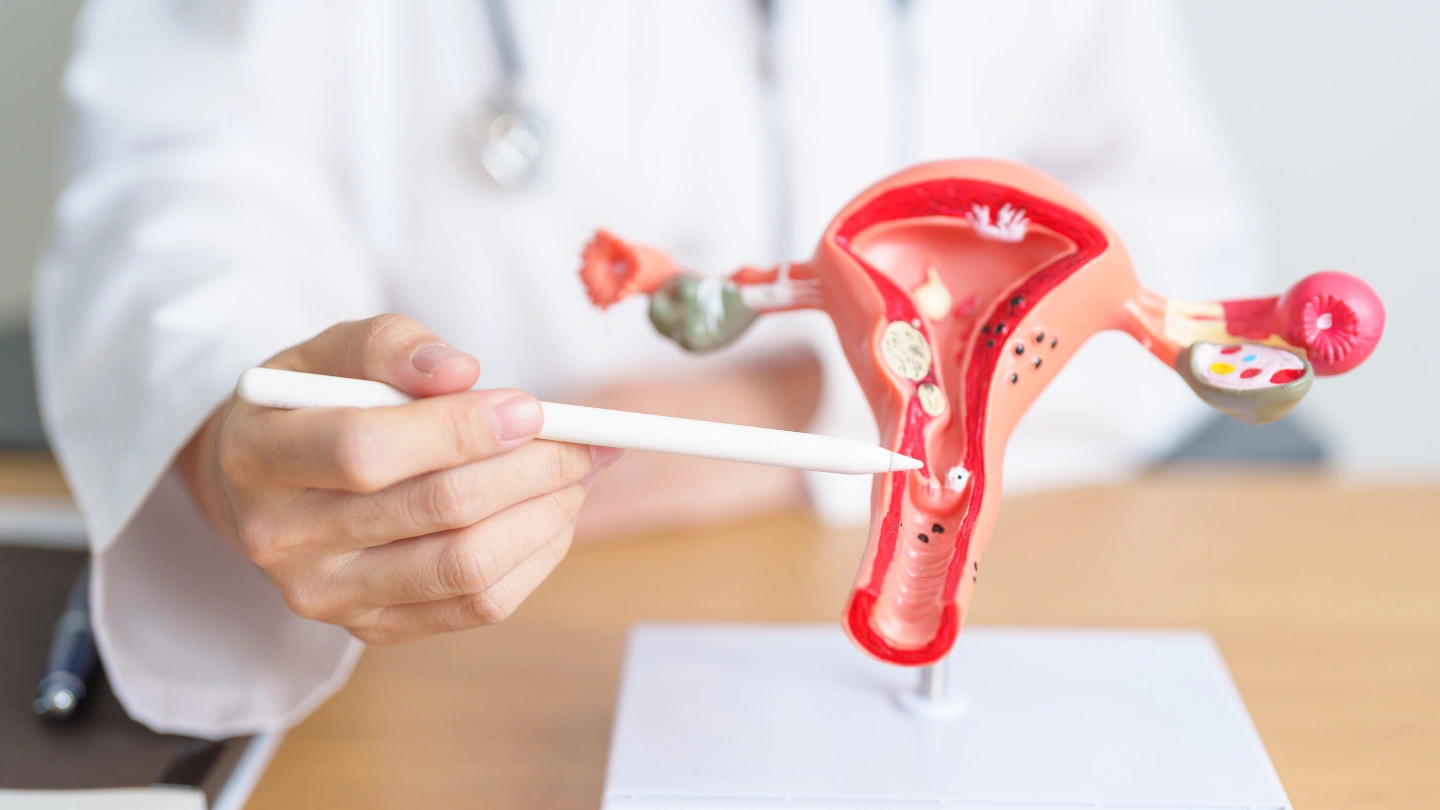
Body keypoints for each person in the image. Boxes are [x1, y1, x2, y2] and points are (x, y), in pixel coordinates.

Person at [32, 0, 1263, 739]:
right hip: (460, 649)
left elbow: (1165, 235)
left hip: (817, 525)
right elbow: (182, 190)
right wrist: (238, 430)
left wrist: (775, 409)